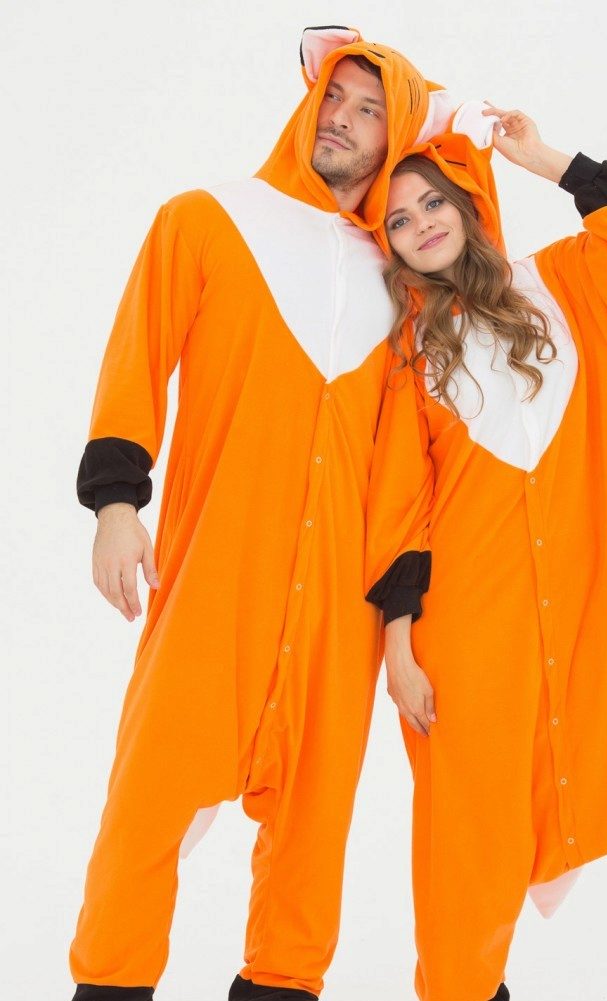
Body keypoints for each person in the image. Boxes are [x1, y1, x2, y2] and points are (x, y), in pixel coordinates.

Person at [70, 25, 457, 1001]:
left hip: (340, 608)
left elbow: (402, 468)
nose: (342, 119)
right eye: (337, 96)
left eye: (371, 110)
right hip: (214, 573)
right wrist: (116, 503)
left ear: (396, 139)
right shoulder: (206, 220)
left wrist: (399, 617)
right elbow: (137, 355)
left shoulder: (400, 284)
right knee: (147, 805)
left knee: (312, 838)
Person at [363, 107, 607, 1001]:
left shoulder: (568, 287)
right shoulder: (406, 352)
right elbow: (398, 509)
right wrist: (399, 646)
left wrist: (544, 158)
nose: (420, 225)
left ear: (468, 204)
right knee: (467, 853)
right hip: (473, 638)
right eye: (398, 220)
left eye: (432, 202)